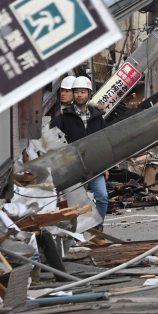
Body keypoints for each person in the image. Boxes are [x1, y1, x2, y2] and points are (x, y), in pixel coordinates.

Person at [50, 76, 109, 223]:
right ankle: (78, 231)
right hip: (73, 166)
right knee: (74, 202)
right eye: (76, 92)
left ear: (89, 94)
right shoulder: (64, 116)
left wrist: (106, 166)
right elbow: (55, 140)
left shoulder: (97, 116)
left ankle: (98, 226)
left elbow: (103, 141)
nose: (79, 95)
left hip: (94, 165)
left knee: (102, 197)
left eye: (83, 92)